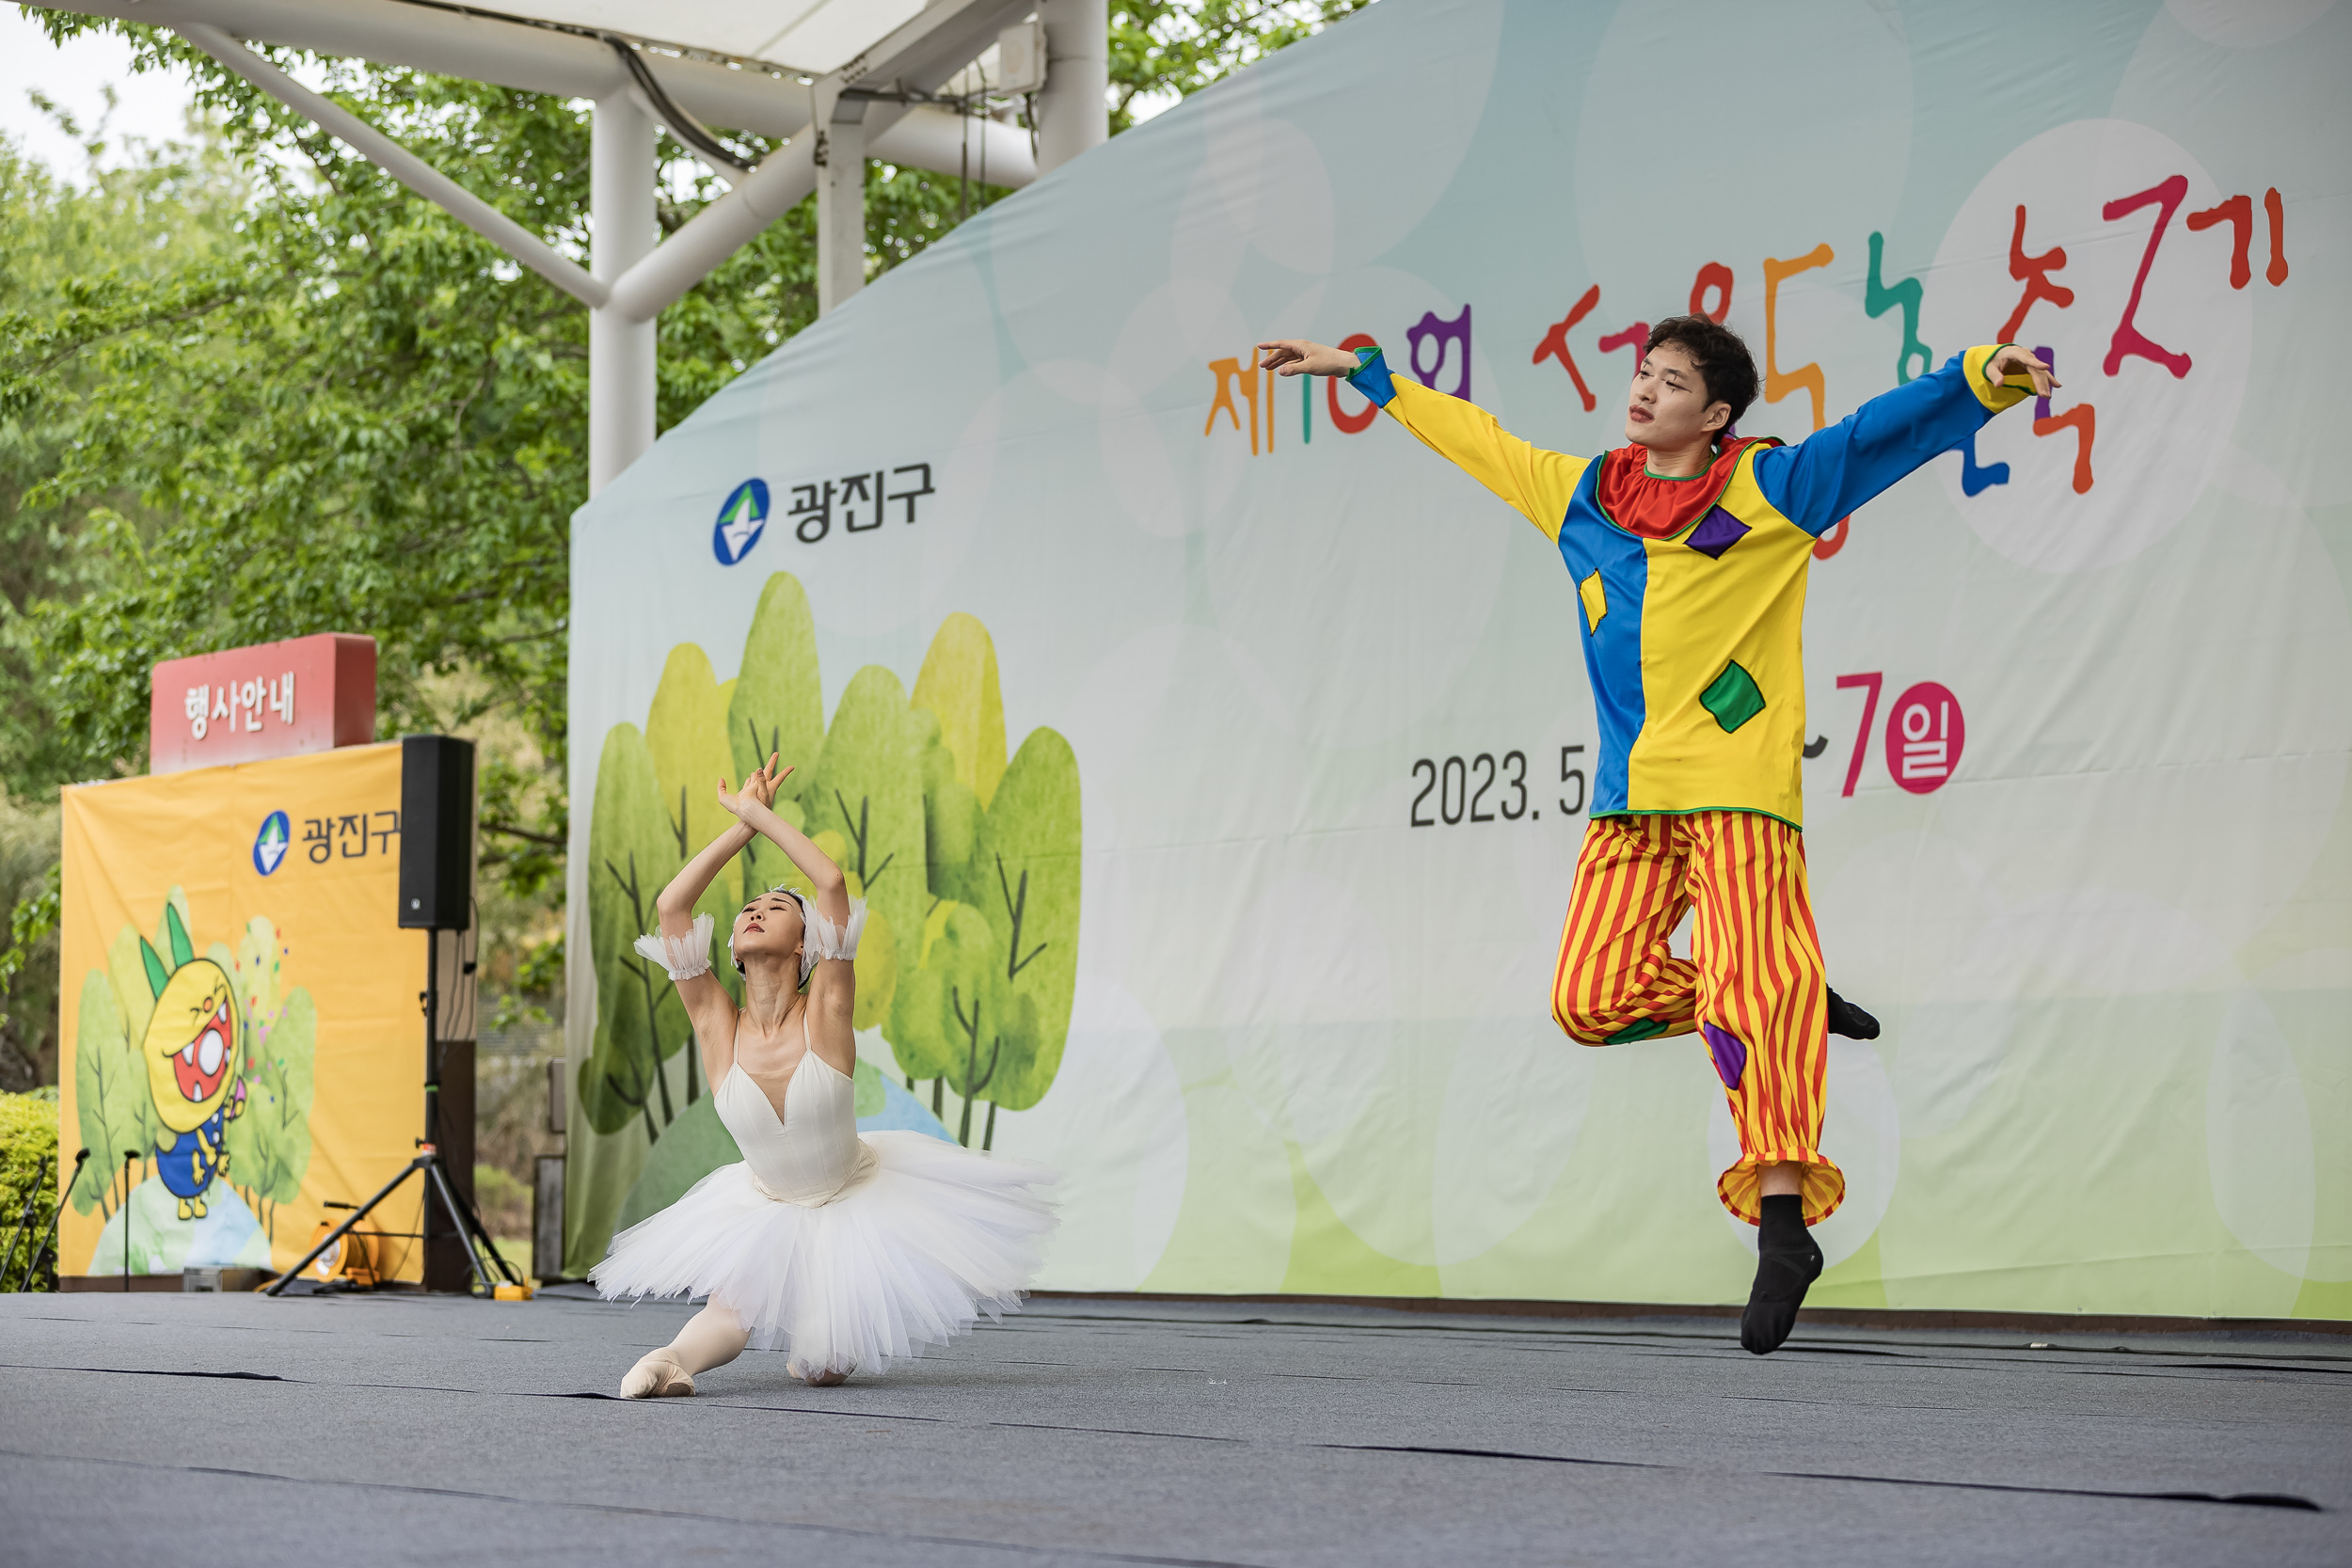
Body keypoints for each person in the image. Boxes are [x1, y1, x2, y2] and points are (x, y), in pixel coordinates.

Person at [1256, 321, 2054, 1354]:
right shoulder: (1584, 496)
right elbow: (1477, 439)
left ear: (1714, 414)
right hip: (1630, 802)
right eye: (1642, 371)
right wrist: (1367, 376)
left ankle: (1782, 1223)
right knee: (1589, 999)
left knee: (1749, 983)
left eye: (1669, 380)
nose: (1641, 389)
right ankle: (1782, 994)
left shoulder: (1770, 489)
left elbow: (1875, 436)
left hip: (1737, 794)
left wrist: (1980, 380)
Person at [593, 752, 1058, 1393]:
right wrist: (740, 830)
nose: (755, 910)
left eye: (777, 907)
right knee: (730, 1310)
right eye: (748, 908)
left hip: (854, 1198)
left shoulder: (827, 1010)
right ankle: (671, 1360)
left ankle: (819, 1337)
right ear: (729, 947)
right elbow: (673, 905)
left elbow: (832, 883)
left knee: (825, 1365)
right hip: (764, 1201)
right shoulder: (715, 1027)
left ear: (807, 945)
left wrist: (761, 814)